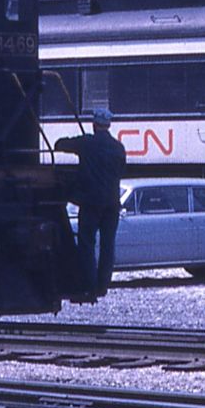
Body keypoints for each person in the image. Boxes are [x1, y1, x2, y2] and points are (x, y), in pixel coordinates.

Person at [54, 108, 127, 291]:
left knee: (87, 243)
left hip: (91, 201)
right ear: (109, 125)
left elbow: (59, 144)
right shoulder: (119, 147)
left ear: (94, 125)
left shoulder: (87, 143)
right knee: (107, 245)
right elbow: (121, 171)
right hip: (112, 203)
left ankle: (89, 284)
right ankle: (103, 285)